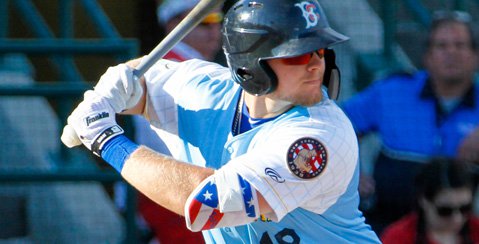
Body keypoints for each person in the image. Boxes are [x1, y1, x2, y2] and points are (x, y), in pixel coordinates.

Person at [61, 0, 380, 243]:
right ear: (250, 67)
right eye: (296, 55)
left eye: (320, 51)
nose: (316, 66)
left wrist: (106, 140)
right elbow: (141, 81)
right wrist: (110, 93)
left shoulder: (318, 138)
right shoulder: (205, 89)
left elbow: (207, 203)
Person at [341, 10, 479, 233]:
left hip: (456, 225)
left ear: (475, 56)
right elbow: (335, 126)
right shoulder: (392, 92)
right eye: (442, 46)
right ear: (427, 56)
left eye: (460, 45)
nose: (451, 53)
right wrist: (348, 173)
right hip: (386, 222)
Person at [132, 0, 223, 243]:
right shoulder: (171, 67)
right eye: (205, 22)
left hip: (187, 193)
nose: (216, 31)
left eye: (219, 21)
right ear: (174, 26)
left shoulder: (202, 67)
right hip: (170, 196)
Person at [381, 158, 479, 243]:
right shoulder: (398, 237)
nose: (457, 218)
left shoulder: (476, 229)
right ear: (424, 200)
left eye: (465, 208)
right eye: (445, 211)